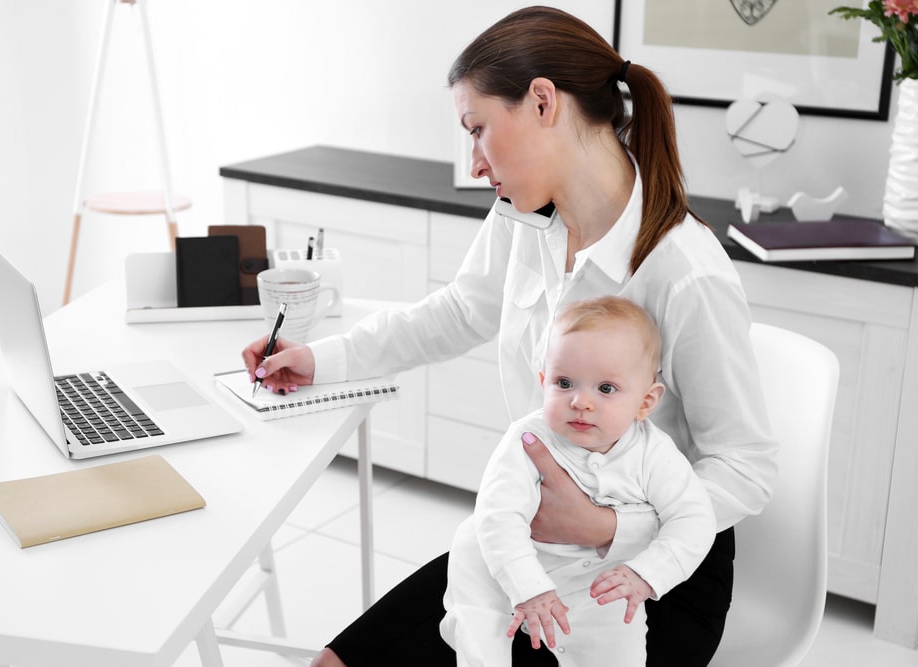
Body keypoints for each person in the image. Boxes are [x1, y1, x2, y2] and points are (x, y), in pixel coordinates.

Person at [242, 6, 777, 666]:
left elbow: (746, 468)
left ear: (543, 102)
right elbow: (457, 312)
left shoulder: (683, 270)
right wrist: (320, 357)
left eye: (479, 130)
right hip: (536, 545)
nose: (474, 161)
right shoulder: (524, 218)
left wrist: (607, 526)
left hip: (655, 575)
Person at [441, 296, 716, 666]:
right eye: (564, 382)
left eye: (605, 388)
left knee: (621, 651)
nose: (580, 402)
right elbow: (499, 517)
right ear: (543, 382)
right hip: (514, 564)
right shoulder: (528, 439)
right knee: (474, 561)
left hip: (603, 586)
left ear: (645, 401)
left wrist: (646, 574)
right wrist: (529, 588)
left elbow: (695, 519)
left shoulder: (655, 454)